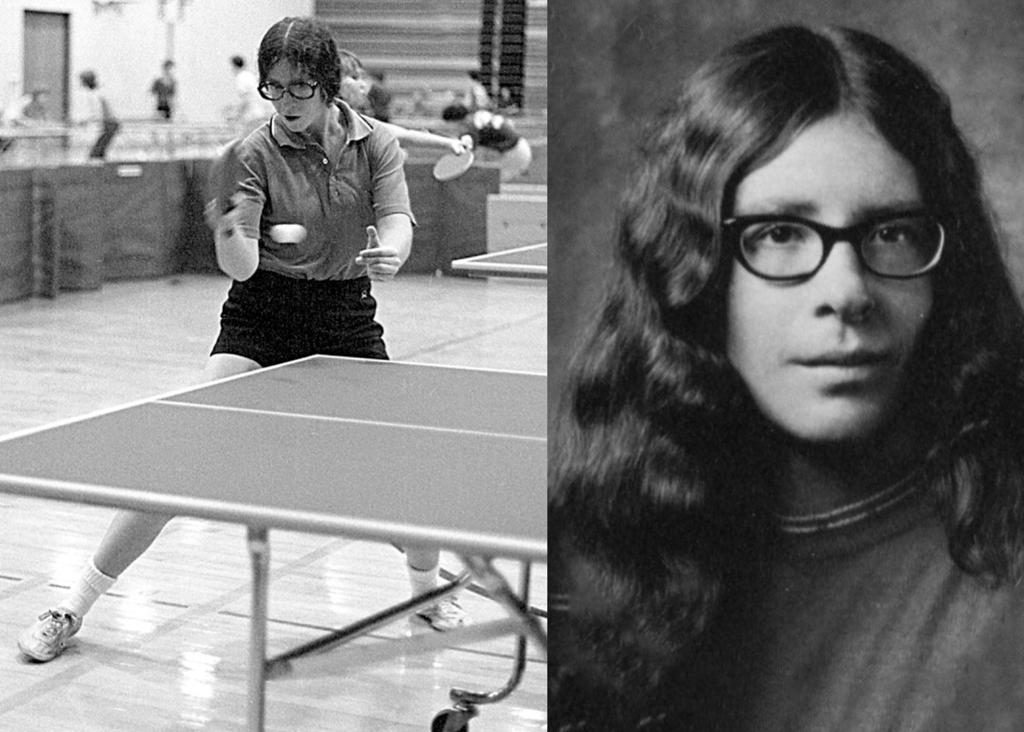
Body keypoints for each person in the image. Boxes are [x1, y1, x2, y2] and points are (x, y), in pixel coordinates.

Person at [550, 25, 1024, 732]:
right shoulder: (593, 551)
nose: (846, 291)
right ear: (697, 271)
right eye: (778, 234)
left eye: (892, 232)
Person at [18, 15, 463, 666]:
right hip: (262, 314)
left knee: (406, 484)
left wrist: (392, 252)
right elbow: (243, 267)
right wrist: (230, 233)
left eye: (299, 88)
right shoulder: (251, 155)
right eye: (273, 88)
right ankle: (73, 605)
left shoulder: (374, 146)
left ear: (328, 84)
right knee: (177, 466)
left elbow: (396, 218)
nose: (284, 103)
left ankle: (425, 592)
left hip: (344, 316)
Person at [337, 50, 468, 157]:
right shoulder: (328, 119)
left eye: (362, 77)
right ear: (333, 81)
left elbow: (404, 135)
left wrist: (449, 143)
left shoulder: (352, 120)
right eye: (354, 77)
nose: (363, 85)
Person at [441, 103, 530, 181]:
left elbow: (473, 154)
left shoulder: (471, 126)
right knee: (486, 182)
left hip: (514, 152)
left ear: (456, 121)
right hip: (519, 148)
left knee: (486, 182)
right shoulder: (478, 117)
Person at [226, 54, 274, 135]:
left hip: (254, 115)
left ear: (234, 66)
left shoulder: (241, 78)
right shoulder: (249, 76)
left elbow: (246, 99)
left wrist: (236, 114)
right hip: (262, 112)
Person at [78, 70, 120, 160]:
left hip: (109, 124)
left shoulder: (94, 94)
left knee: (96, 153)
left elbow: (98, 112)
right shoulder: (98, 92)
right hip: (109, 124)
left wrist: (87, 121)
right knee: (99, 151)